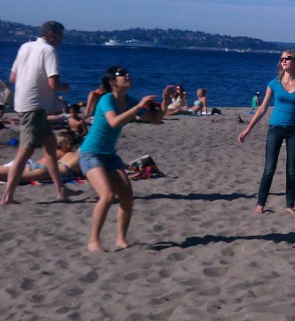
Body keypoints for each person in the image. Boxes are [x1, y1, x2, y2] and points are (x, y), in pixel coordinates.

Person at [79, 67, 173, 251]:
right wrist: (138, 107)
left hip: (109, 154)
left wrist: (165, 103)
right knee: (107, 195)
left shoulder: (128, 100)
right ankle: (93, 241)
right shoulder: (107, 99)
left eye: (127, 73)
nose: (127, 75)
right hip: (90, 153)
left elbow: (155, 120)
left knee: (127, 197)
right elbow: (114, 121)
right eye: (121, 74)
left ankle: (121, 239)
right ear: (112, 82)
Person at [1, 21, 80, 205]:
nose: (62, 39)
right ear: (51, 34)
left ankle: (60, 190)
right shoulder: (49, 51)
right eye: (60, 35)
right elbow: (54, 84)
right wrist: (64, 87)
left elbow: (12, 78)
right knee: (24, 153)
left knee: (51, 146)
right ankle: (7, 196)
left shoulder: (25, 46)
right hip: (34, 107)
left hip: (24, 103)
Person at [239, 50, 295, 215]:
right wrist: (248, 129)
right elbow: (263, 108)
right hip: (275, 129)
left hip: (294, 131)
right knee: (269, 168)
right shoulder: (273, 84)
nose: (284, 60)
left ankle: (289, 205)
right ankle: (260, 204)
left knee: (291, 170)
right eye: (282, 59)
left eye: (288, 58)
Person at [1, 130, 82, 184]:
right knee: (21, 176)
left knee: (14, 171)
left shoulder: (70, 154)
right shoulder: (80, 157)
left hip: (48, 167)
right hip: (54, 170)